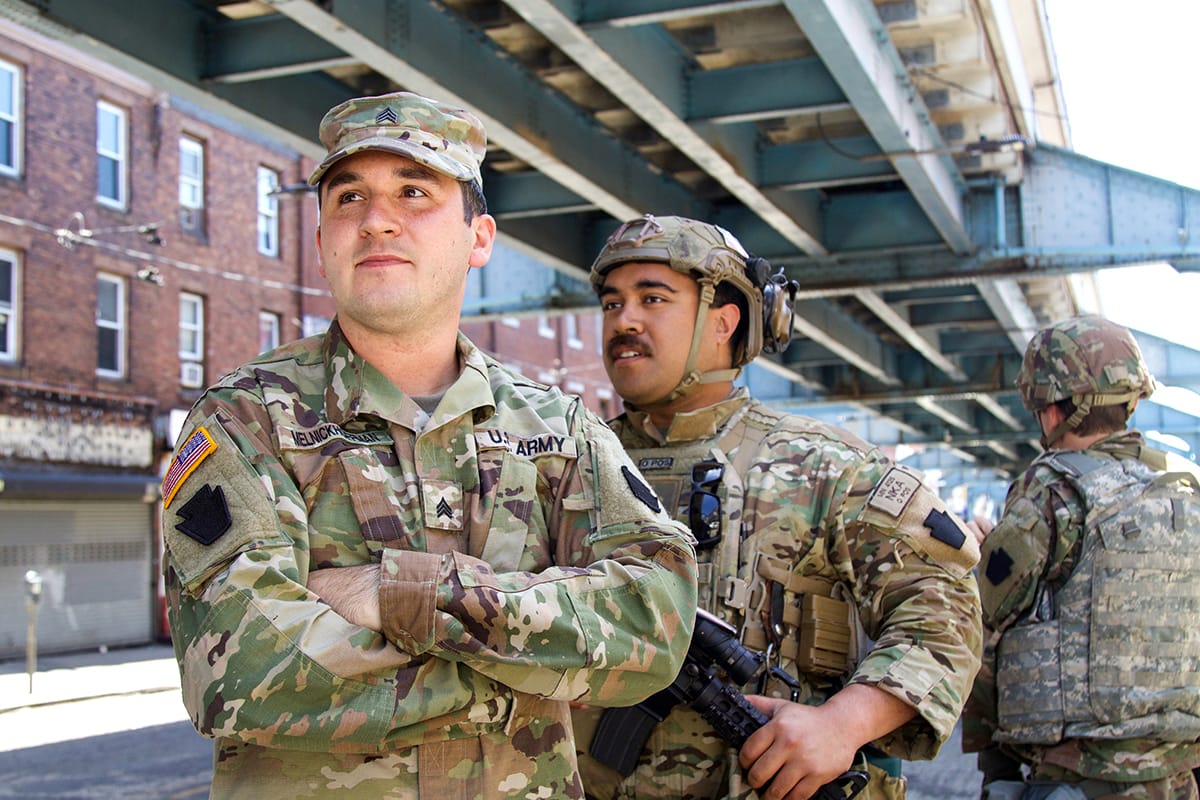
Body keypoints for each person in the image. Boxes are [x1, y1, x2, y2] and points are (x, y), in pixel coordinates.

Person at [159, 92, 699, 800]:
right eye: (349, 197)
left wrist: (400, 594)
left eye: (414, 191)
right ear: (320, 238)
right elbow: (243, 672)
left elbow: (656, 620)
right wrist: (532, 682)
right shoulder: (246, 419)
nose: (377, 219)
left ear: (480, 237)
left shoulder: (557, 428)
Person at [571, 214, 983, 800]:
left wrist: (844, 724)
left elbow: (945, 612)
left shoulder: (825, 466)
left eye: (652, 298)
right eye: (612, 304)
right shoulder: (567, 464)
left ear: (724, 320)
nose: (624, 321)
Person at [963, 315, 1200, 800]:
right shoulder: (1186, 501)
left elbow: (982, 615)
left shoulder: (1053, 495)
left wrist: (977, 560)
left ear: (1050, 412)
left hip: (1078, 780)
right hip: (1176, 777)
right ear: (1133, 402)